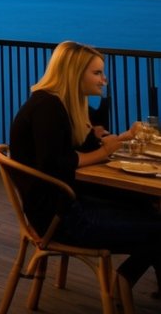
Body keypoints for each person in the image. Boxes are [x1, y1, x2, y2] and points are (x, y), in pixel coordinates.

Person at [10, 41, 159, 306]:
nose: (104, 80)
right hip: (61, 219)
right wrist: (103, 153)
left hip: (66, 205)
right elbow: (55, 164)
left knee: (149, 207)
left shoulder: (64, 105)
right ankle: (125, 277)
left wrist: (119, 138)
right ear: (74, 73)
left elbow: (85, 147)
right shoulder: (48, 108)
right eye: (97, 73)